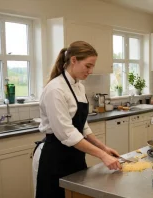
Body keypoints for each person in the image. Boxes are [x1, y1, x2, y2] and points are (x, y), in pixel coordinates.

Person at [33, 41, 122, 198]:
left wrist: (104, 148)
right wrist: (102, 156)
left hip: (76, 157)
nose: (91, 71)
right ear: (73, 60)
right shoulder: (55, 89)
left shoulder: (79, 86)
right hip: (56, 159)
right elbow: (67, 133)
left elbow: (83, 126)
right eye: (88, 66)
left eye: (92, 66)